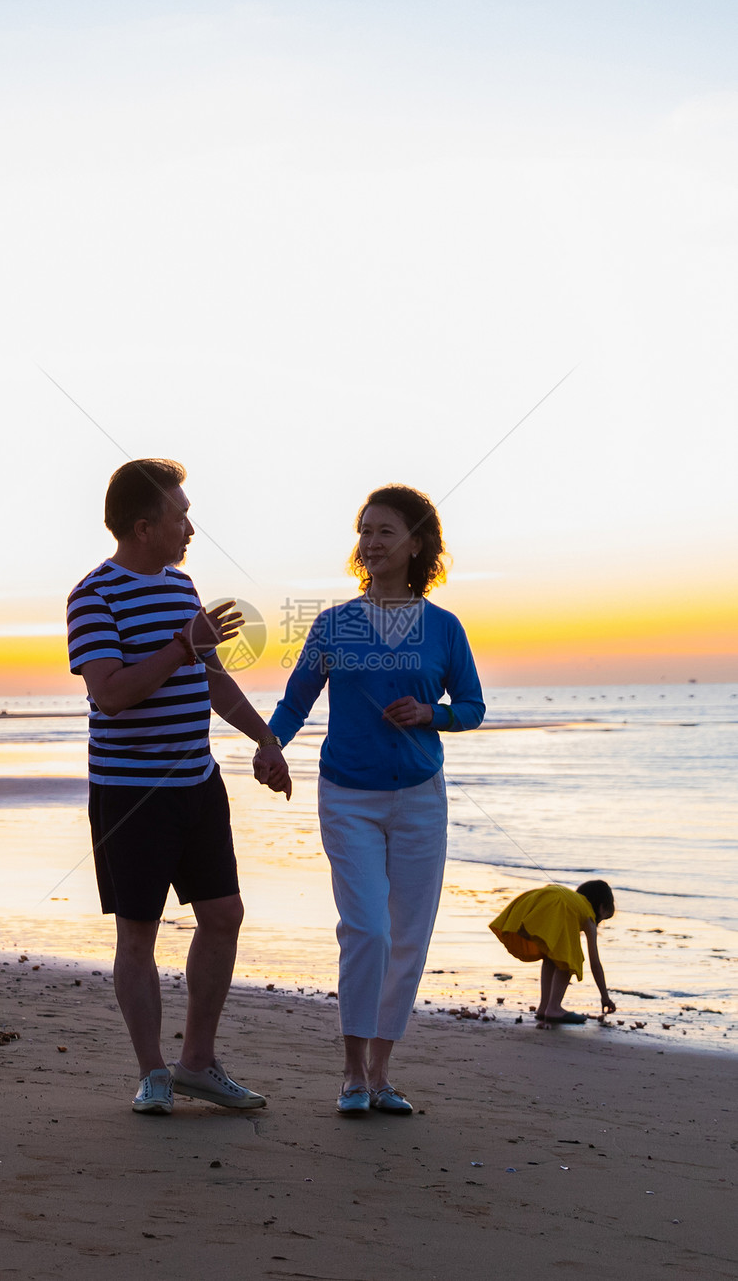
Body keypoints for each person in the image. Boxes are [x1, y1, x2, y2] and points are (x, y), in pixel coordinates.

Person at [67, 458, 291, 1116]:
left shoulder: (183, 586)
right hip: (130, 792)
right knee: (138, 932)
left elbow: (213, 679)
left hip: (197, 782)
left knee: (223, 915)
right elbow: (111, 696)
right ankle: (153, 1074)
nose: (190, 527)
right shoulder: (93, 596)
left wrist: (264, 737)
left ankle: (197, 1062)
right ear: (144, 526)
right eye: (179, 516)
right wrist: (179, 645)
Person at [262, 484, 485, 1115]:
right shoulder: (334, 623)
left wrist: (429, 714)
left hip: (420, 800)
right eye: (364, 531)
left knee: (408, 936)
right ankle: (351, 1072)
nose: (371, 542)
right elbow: (296, 701)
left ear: (417, 544)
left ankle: (381, 1074)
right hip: (348, 795)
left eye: (385, 531)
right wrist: (268, 745)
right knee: (368, 930)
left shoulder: (444, 628)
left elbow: (472, 707)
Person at [489, 880, 616, 1023]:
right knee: (570, 958)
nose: (599, 922)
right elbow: (595, 963)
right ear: (601, 908)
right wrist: (605, 997)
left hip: (540, 899)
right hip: (554, 903)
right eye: (604, 917)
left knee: (552, 955)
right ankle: (554, 1008)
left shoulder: (573, 901)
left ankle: (544, 1007)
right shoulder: (588, 916)